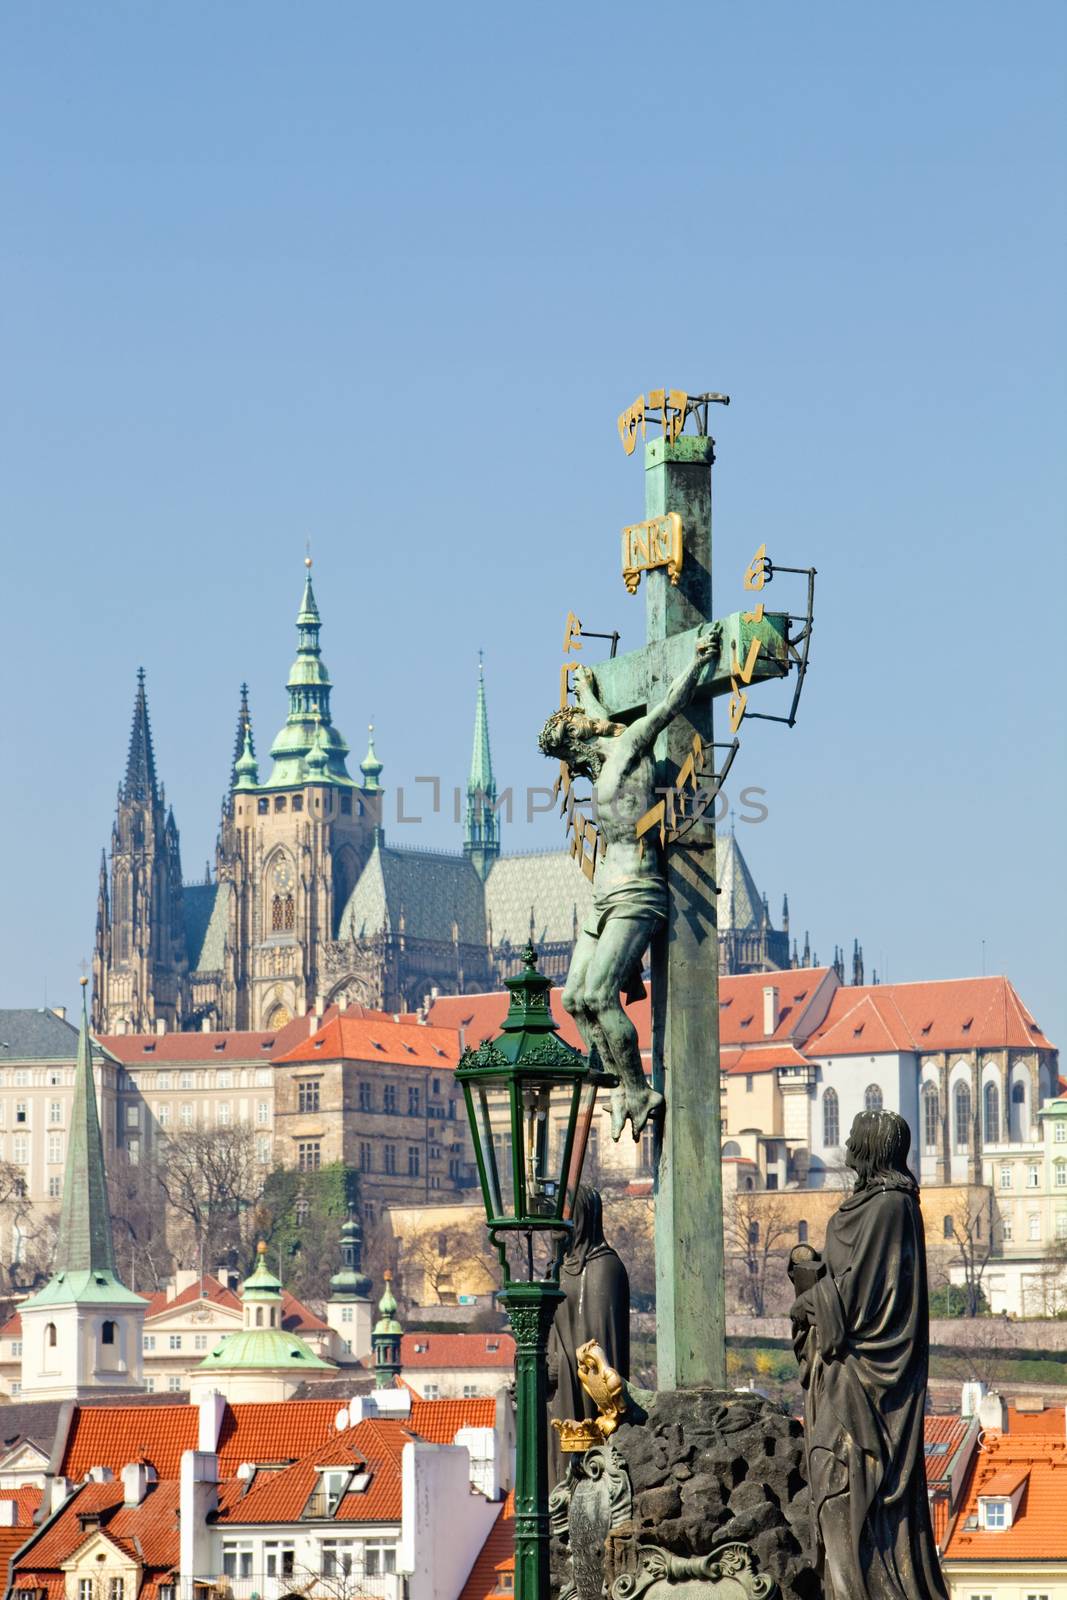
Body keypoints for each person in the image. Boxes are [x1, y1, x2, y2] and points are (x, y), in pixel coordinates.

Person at [538, 628, 719, 1140]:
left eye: (568, 755)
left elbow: (663, 708)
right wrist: (586, 689)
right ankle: (616, 1075)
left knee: (599, 995)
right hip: (603, 896)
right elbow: (598, 721)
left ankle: (638, 1089)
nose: (570, 768)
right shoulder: (601, 765)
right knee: (573, 998)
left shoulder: (628, 749)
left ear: (580, 743)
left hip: (639, 890)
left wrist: (700, 661)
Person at [789, 1110, 949, 1600]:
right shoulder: (873, 1206)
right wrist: (813, 1276)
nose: (849, 1147)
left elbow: (856, 1302)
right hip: (847, 1372)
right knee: (830, 1483)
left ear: (871, 1148)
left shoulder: (889, 1208)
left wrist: (810, 1290)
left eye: (856, 1139)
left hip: (868, 1380)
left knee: (839, 1481)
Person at [547, 1186, 629, 1486]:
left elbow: (603, 1348)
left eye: (564, 1212)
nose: (556, 1223)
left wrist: (564, 1364)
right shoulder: (556, 1269)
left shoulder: (606, 1267)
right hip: (555, 1396)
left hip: (588, 1400)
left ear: (581, 1216)